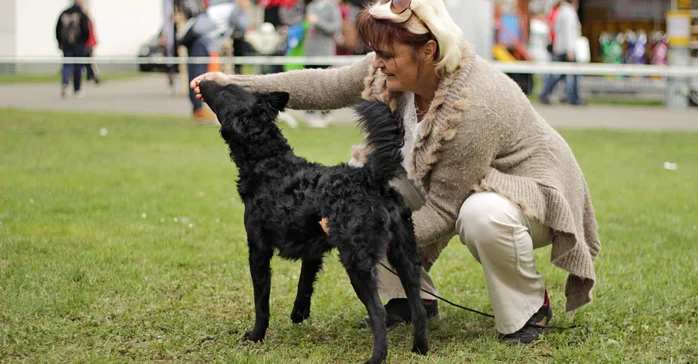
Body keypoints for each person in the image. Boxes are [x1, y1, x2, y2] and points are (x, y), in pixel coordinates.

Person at [191, 0, 601, 345]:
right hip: (466, 182)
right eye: (378, 53)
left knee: (480, 215)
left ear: (428, 51)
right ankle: (412, 299)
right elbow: (325, 85)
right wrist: (236, 83)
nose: (379, 63)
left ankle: (529, 310)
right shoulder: (390, 71)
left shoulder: (478, 104)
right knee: (360, 179)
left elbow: (442, 208)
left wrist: (351, 226)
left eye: (387, 54)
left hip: (531, 191)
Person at [184, 0, 250, 122]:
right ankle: (198, 110)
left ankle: (197, 109)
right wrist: (243, 11)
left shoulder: (221, 5)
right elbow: (243, 26)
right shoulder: (233, 9)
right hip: (203, 40)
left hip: (197, 39)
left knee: (195, 73)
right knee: (198, 75)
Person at [303, 0, 342, 127]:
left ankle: (326, 114)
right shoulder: (311, 6)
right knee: (309, 84)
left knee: (325, 84)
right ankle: (310, 113)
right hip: (310, 52)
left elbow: (335, 27)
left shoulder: (332, 7)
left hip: (325, 52)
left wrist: (318, 22)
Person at [539, 0, 585, 106]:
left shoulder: (560, 11)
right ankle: (574, 98)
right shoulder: (569, 13)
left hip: (559, 47)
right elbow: (569, 32)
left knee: (557, 73)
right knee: (573, 74)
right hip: (566, 49)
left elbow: (555, 29)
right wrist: (570, 50)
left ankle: (545, 94)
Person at [56, 0, 90, 98]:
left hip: (66, 45)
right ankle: (77, 88)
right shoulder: (81, 13)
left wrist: (60, 42)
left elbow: (58, 28)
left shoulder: (64, 13)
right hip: (79, 45)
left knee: (67, 65)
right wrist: (84, 42)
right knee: (78, 67)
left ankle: (65, 83)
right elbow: (86, 29)